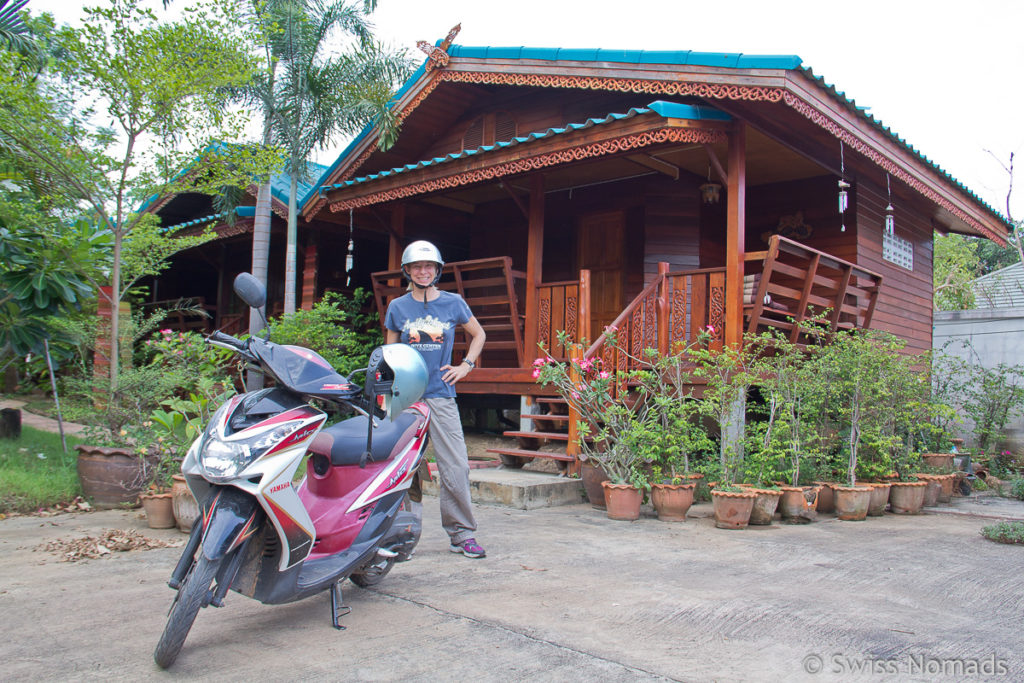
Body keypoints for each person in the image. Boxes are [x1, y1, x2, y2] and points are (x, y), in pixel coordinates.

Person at [384, 240, 487, 559]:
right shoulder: (397, 307)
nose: (423, 271)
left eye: (429, 266)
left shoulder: (453, 303)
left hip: (441, 395)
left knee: (455, 465)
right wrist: (386, 397)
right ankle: (402, 534)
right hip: (405, 397)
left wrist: (466, 366)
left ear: (437, 270)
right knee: (403, 467)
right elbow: (389, 353)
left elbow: (479, 334)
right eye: (417, 267)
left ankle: (462, 534)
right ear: (408, 272)